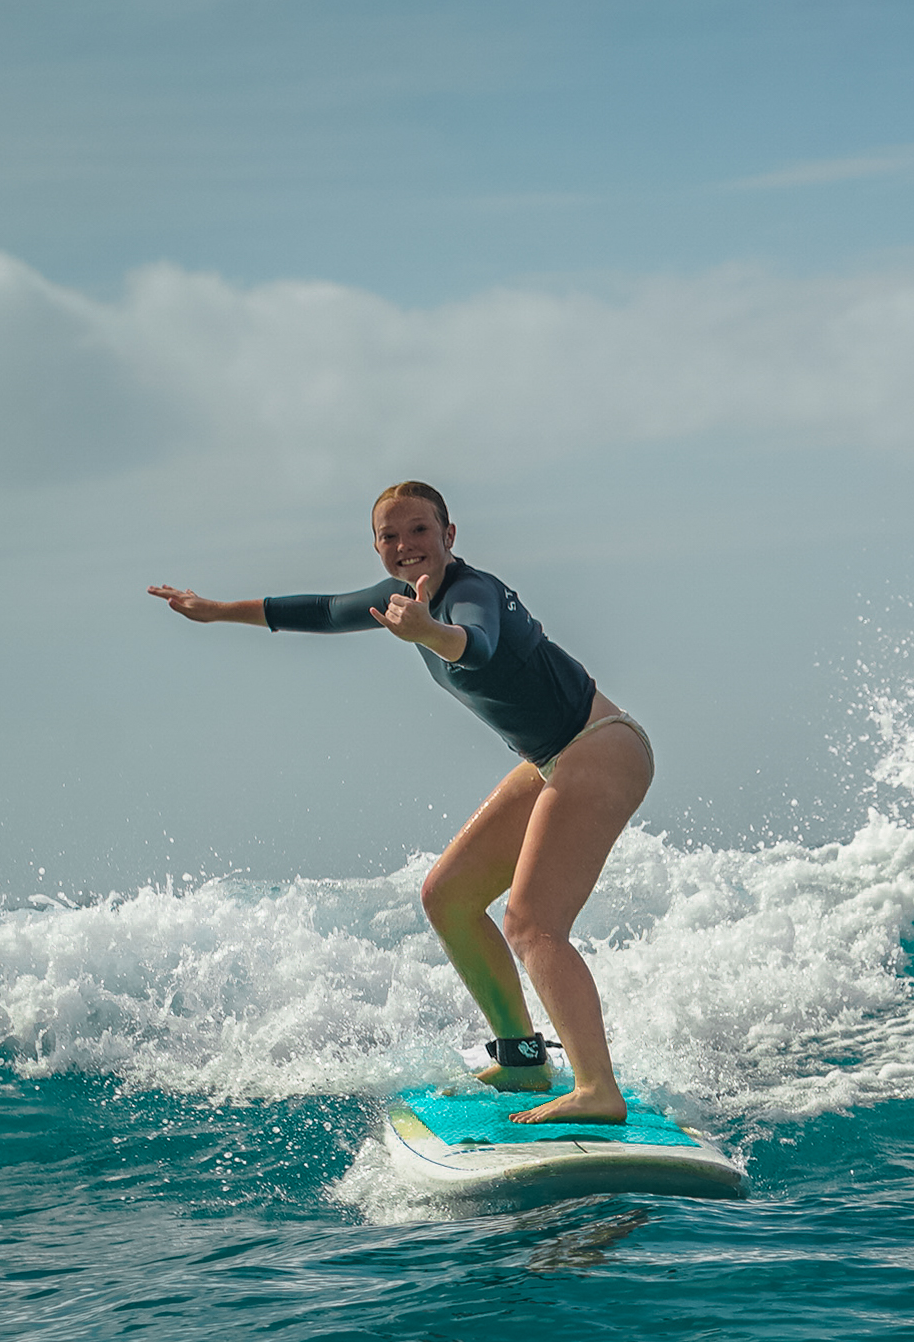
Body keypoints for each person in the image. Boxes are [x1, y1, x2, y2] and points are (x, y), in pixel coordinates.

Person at [148, 482, 651, 1125]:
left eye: (419, 530)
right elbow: (326, 610)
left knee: (531, 922)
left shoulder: (473, 593)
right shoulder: (400, 600)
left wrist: (429, 632)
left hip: (600, 747)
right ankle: (524, 1058)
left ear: (449, 535)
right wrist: (216, 610)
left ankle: (596, 1090)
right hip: (554, 758)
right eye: (390, 536)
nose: (405, 545)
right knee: (449, 895)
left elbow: (479, 644)